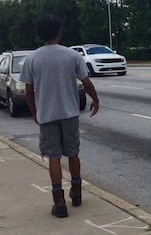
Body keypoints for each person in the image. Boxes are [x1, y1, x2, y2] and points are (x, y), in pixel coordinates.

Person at [20, 14, 100, 218]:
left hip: (47, 115)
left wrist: (34, 111)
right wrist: (95, 99)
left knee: (53, 157)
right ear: (59, 32)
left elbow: (29, 90)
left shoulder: (32, 58)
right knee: (73, 153)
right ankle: (77, 192)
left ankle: (59, 202)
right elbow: (86, 82)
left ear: (40, 34)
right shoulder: (71, 56)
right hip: (70, 113)